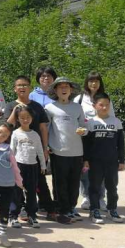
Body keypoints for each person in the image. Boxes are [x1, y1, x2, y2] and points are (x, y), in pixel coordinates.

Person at [3, 76, 56, 221]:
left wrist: (45, 148)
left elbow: (43, 128)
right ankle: (20, 209)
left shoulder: (37, 106)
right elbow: (7, 126)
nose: (22, 87)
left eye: (25, 85)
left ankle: (49, 208)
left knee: (40, 180)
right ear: (15, 89)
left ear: (30, 88)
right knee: (18, 181)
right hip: (18, 152)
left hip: (35, 150)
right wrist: (15, 111)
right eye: (19, 85)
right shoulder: (10, 106)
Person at [45, 77, 86, 225]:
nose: (63, 89)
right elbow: (46, 129)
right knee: (60, 183)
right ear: (55, 90)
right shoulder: (50, 108)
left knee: (74, 183)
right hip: (58, 151)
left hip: (77, 151)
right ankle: (62, 209)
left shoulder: (77, 108)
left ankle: (71, 207)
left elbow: (84, 125)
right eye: (60, 87)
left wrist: (84, 131)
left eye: (66, 87)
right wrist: (46, 146)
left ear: (71, 90)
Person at [75, 71, 114, 211]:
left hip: (101, 138)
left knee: (101, 169)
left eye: (96, 81)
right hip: (83, 138)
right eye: (91, 81)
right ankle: (86, 196)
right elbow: (74, 117)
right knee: (85, 169)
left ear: (100, 83)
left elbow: (112, 118)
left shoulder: (105, 98)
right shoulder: (79, 98)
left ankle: (100, 198)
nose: (94, 84)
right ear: (87, 83)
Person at [84, 93, 125, 225]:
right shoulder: (90, 123)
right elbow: (86, 144)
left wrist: (122, 161)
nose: (104, 107)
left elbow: (121, 143)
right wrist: (86, 160)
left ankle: (112, 209)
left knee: (112, 187)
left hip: (112, 161)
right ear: (94, 106)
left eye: (107, 105)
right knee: (94, 187)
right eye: (101, 105)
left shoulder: (116, 122)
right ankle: (94, 210)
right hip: (95, 162)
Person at [9, 105, 46, 229]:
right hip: (19, 166)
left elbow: (40, 151)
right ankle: (13, 216)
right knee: (16, 192)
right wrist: (11, 166)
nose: (25, 120)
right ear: (18, 119)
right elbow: (12, 151)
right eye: (22, 117)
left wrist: (43, 165)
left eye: (28, 117)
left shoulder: (35, 134)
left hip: (33, 166)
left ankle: (32, 215)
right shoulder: (15, 133)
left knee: (31, 192)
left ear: (32, 118)